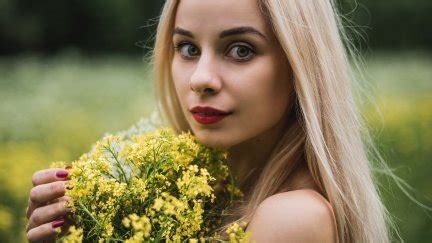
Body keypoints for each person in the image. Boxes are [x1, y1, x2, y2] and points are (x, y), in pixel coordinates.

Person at [25, 0, 392, 242]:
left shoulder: (293, 218)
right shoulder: (203, 194)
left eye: (241, 50)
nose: (201, 78)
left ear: (301, 66)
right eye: (187, 48)